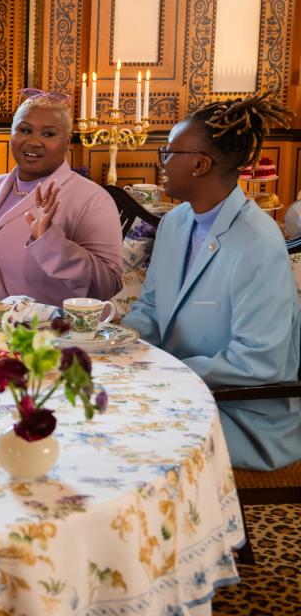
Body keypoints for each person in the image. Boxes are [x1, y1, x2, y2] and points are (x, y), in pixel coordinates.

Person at [123, 93, 300, 471]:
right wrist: (119, 347)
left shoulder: (259, 243)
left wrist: (164, 372)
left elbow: (259, 362)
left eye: (169, 152)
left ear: (200, 164)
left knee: (125, 434)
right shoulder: (174, 224)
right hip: (179, 393)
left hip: (242, 416)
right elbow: (151, 310)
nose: (163, 162)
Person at [0, 88, 123, 306]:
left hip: (51, 334)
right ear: (11, 133)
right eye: (25, 130)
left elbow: (108, 286)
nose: (33, 142)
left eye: (48, 134)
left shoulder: (93, 199)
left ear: (67, 141)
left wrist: (51, 242)